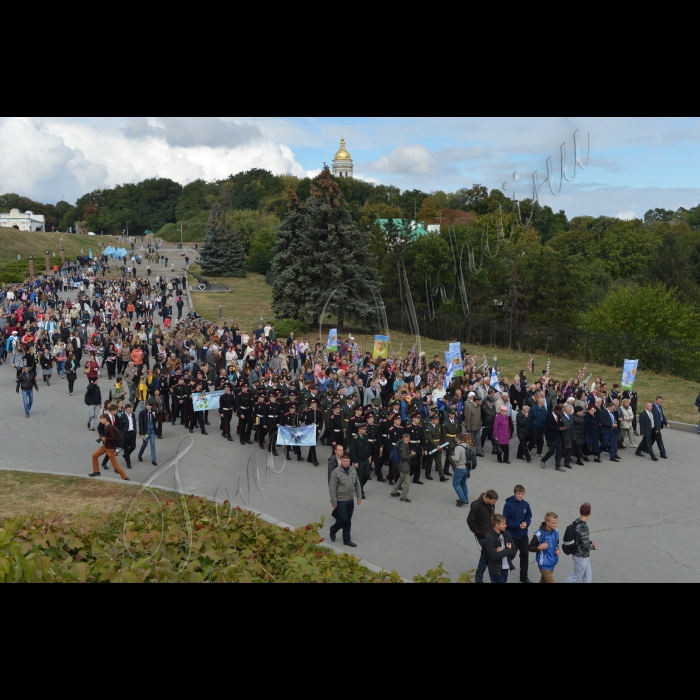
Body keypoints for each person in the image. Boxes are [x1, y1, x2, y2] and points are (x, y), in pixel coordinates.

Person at [329, 455, 362, 548]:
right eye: (344, 461)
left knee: (348, 521)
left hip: (350, 499)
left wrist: (359, 497)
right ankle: (333, 529)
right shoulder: (336, 472)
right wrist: (334, 502)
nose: (345, 463)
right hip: (341, 500)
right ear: (341, 461)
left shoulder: (353, 470)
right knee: (343, 518)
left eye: (347, 461)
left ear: (349, 461)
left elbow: (357, 484)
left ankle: (347, 540)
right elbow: (332, 488)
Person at [503, 485, 533, 584]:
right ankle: (501, 574)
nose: (520, 496)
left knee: (525, 557)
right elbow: (506, 519)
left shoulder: (526, 504)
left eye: (522, 494)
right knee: (510, 556)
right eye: (518, 494)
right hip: (513, 536)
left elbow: (529, 516)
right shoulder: (508, 505)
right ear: (515, 493)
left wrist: (526, 523)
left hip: (524, 536)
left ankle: (524, 577)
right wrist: (517, 525)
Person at [467, 489, 499, 584]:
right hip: (483, 536)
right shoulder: (477, 505)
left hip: (491, 535)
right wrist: (479, 532)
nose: (494, 503)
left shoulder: (491, 504)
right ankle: (479, 578)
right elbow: (470, 521)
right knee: (487, 555)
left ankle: (479, 577)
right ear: (487, 498)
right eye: (493, 501)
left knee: (485, 556)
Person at [564, 503, 598, 584]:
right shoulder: (583, 527)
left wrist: (590, 542)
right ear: (590, 513)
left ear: (579, 511)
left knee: (588, 577)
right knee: (575, 577)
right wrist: (593, 547)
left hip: (583, 556)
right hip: (581, 556)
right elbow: (585, 544)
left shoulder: (577, 522)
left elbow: (579, 538)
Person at [90, 415, 130, 480]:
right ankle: (96, 471)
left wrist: (105, 439)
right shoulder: (106, 427)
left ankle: (124, 477)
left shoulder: (110, 427)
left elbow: (113, 438)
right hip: (105, 446)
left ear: (105, 419)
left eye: (101, 419)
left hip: (110, 448)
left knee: (114, 464)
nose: (100, 421)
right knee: (94, 455)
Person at [483, 514, 518, 584]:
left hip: (505, 568)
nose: (506, 526)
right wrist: (507, 550)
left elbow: (514, 551)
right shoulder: (489, 538)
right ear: (496, 525)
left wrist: (503, 551)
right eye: (503, 524)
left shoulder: (506, 534)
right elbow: (494, 556)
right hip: (496, 570)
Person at [529, 512, 561, 584]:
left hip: (552, 563)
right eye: (553, 523)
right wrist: (539, 548)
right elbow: (530, 547)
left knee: (543, 581)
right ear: (547, 522)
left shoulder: (556, 531)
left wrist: (557, 549)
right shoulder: (538, 534)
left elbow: (556, 543)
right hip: (544, 565)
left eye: (556, 522)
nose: (555, 525)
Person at [350, 422, 372, 500]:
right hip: (359, 460)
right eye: (364, 429)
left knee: (367, 474)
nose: (366, 430)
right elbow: (353, 451)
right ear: (359, 429)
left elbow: (367, 447)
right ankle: (361, 491)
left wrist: (369, 456)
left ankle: (359, 487)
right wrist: (355, 461)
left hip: (365, 459)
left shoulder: (365, 436)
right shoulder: (355, 438)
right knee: (360, 477)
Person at [541, 404, 566, 472]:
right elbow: (548, 427)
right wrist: (558, 428)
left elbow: (560, 424)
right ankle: (543, 460)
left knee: (559, 452)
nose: (559, 413)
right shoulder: (549, 416)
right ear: (555, 410)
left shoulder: (559, 416)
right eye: (559, 412)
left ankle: (558, 465)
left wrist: (563, 427)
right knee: (552, 451)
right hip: (552, 436)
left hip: (559, 436)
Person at [452, 433, 474, 507]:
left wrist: (452, 457)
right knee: (463, 483)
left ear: (457, 439)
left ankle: (462, 499)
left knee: (456, 483)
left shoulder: (458, 448)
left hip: (460, 468)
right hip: (467, 468)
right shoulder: (466, 445)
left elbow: (457, 458)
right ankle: (466, 498)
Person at [390, 433, 413, 503]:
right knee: (407, 483)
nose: (406, 442)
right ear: (402, 439)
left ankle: (394, 492)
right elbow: (403, 457)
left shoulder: (400, 443)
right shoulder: (403, 446)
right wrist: (411, 455)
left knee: (401, 478)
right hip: (403, 465)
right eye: (405, 440)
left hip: (400, 464)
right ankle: (403, 497)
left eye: (407, 440)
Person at [137, 400, 159, 466]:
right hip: (146, 432)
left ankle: (153, 460)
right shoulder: (142, 413)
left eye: (149, 405)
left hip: (152, 431)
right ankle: (140, 455)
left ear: (151, 406)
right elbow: (140, 423)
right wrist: (141, 433)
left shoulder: (153, 411)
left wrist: (154, 416)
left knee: (153, 444)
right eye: (147, 405)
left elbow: (155, 421)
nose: (148, 407)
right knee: (144, 444)